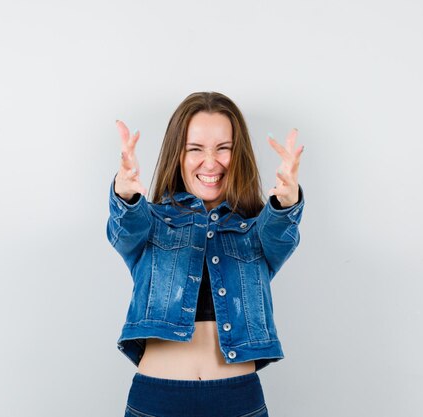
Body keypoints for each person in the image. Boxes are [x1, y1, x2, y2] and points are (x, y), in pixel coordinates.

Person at [106, 91, 305, 417]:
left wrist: (285, 205)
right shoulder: (152, 222)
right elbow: (126, 227)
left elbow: (279, 234)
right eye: (195, 149)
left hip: (238, 401)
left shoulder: (255, 230)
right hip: (156, 401)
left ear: (237, 154)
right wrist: (125, 196)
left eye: (223, 148)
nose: (210, 162)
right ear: (178, 154)